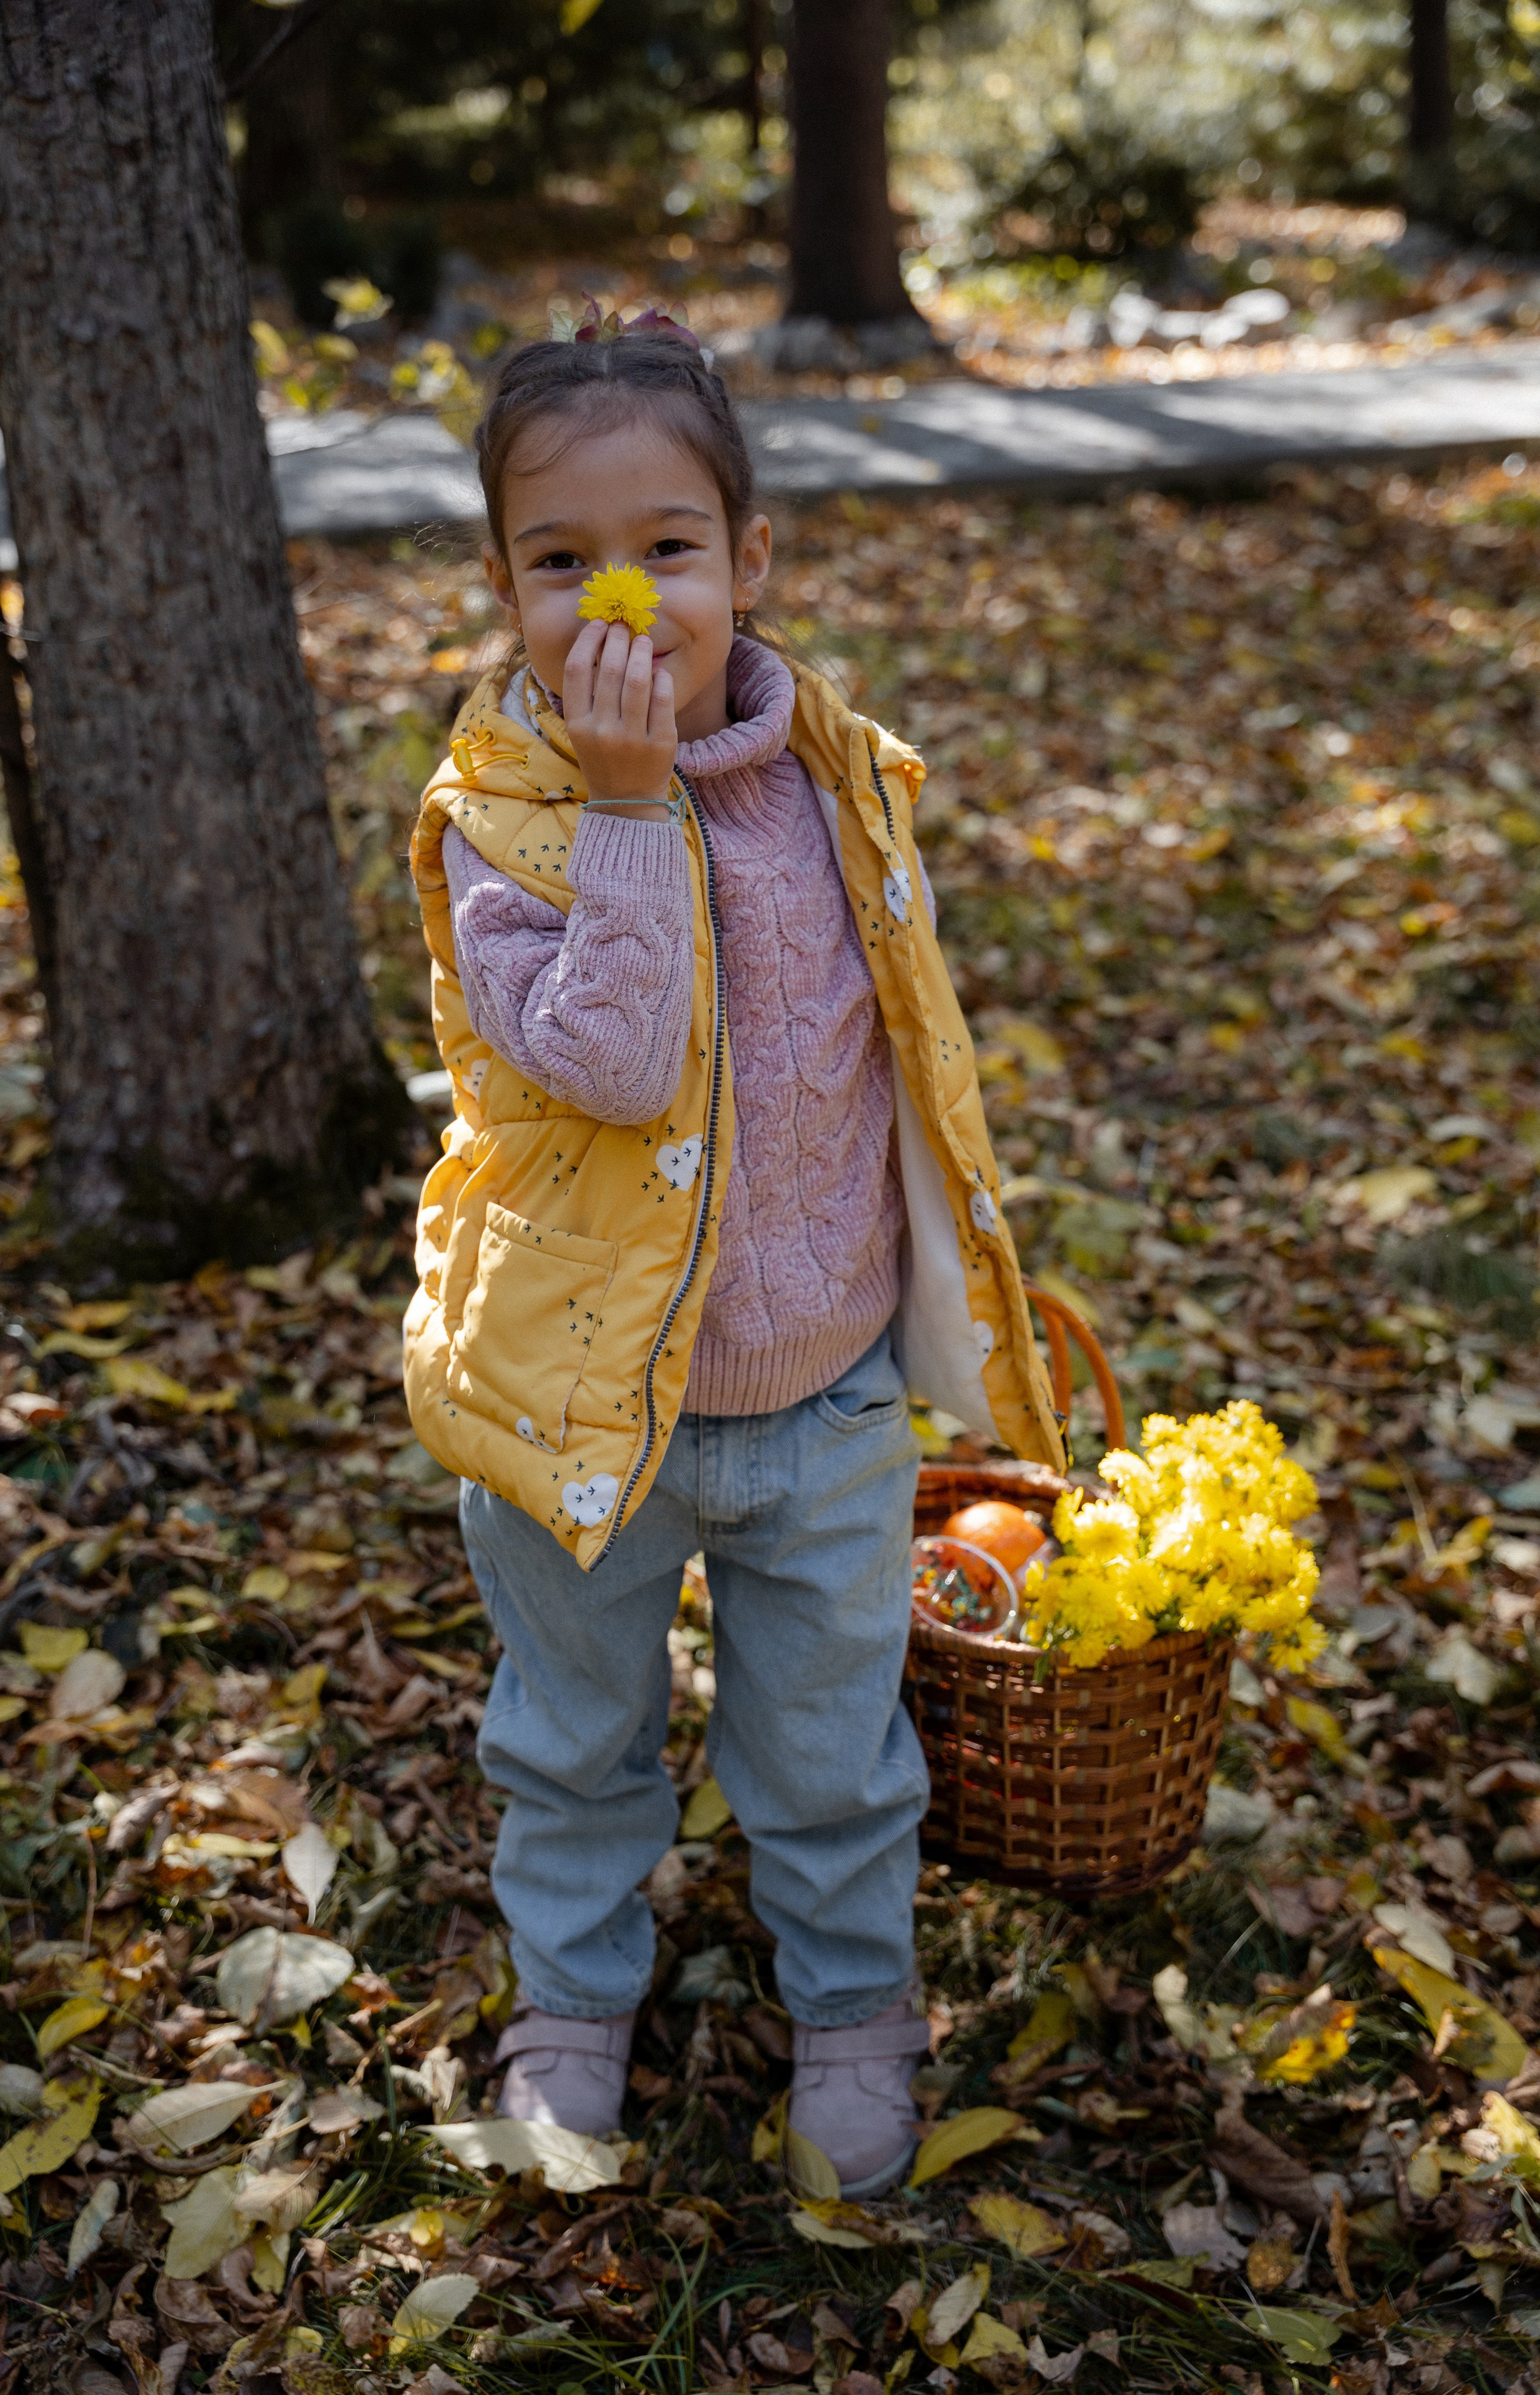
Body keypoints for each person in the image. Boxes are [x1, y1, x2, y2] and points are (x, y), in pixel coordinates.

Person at [404, 304, 1063, 2197]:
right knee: (579, 1739)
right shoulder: (505, 820)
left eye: (666, 548)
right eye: (558, 560)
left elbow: (890, 1046)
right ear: (503, 585)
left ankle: (858, 2011)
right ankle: (576, 2009)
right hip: (581, 1408)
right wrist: (624, 814)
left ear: (748, 561)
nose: (618, 595)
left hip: (823, 1389)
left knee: (835, 1746)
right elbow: (605, 1068)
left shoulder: (833, 772)